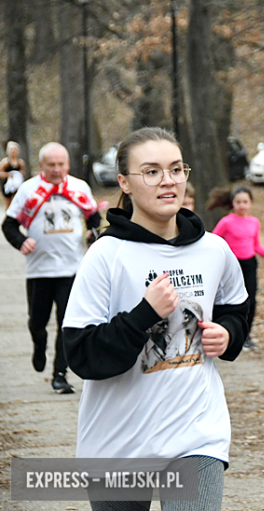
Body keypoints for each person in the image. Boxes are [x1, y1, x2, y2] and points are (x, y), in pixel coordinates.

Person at [62, 127, 249, 510]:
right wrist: (144, 314)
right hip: (118, 443)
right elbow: (81, 355)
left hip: (197, 434)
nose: (168, 181)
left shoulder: (213, 249)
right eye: (151, 172)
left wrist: (228, 334)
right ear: (124, 183)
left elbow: (237, 307)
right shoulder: (106, 255)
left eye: (177, 169)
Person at [2, 142, 100, 394]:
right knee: (37, 322)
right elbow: (9, 225)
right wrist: (21, 241)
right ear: (42, 165)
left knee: (67, 324)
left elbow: (94, 218)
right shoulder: (28, 190)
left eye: (61, 164)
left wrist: (93, 234)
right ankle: (38, 343)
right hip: (39, 271)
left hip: (72, 269)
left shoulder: (79, 188)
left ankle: (60, 375)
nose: (57, 170)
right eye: (51, 165)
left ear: (67, 164)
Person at [208, 185, 264, 350]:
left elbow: (257, 246)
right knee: (231, 300)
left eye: (245, 202)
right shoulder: (226, 222)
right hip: (232, 266)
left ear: (250, 203)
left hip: (250, 264)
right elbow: (213, 242)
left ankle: (246, 336)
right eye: (238, 202)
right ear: (233, 203)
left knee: (250, 301)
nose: (242, 205)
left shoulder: (254, 222)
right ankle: (228, 332)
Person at [1, 141, 27, 208]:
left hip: (17, 184)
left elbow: (23, 171)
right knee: (8, 203)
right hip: (7, 184)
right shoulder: (5, 162)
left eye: (15, 150)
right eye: (11, 150)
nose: (13, 152)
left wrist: (20, 174)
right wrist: (7, 174)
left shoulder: (20, 162)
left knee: (16, 201)